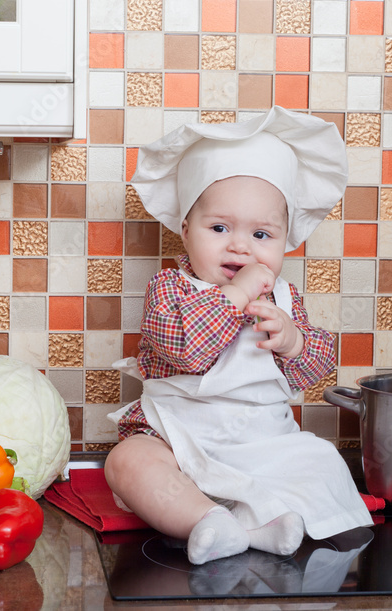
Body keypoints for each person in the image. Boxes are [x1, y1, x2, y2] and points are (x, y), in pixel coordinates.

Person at [105, 106, 373, 566]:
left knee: (322, 459)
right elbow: (185, 350)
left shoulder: (284, 299)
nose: (240, 246)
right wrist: (237, 291)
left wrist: (292, 341)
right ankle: (206, 520)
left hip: (260, 442)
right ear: (185, 229)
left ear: (287, 241)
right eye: (219, 228)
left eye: (262, 233)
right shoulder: (169, 290)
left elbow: (316, 369)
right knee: (126, 462)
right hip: (174, 438)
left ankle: (261, 527)